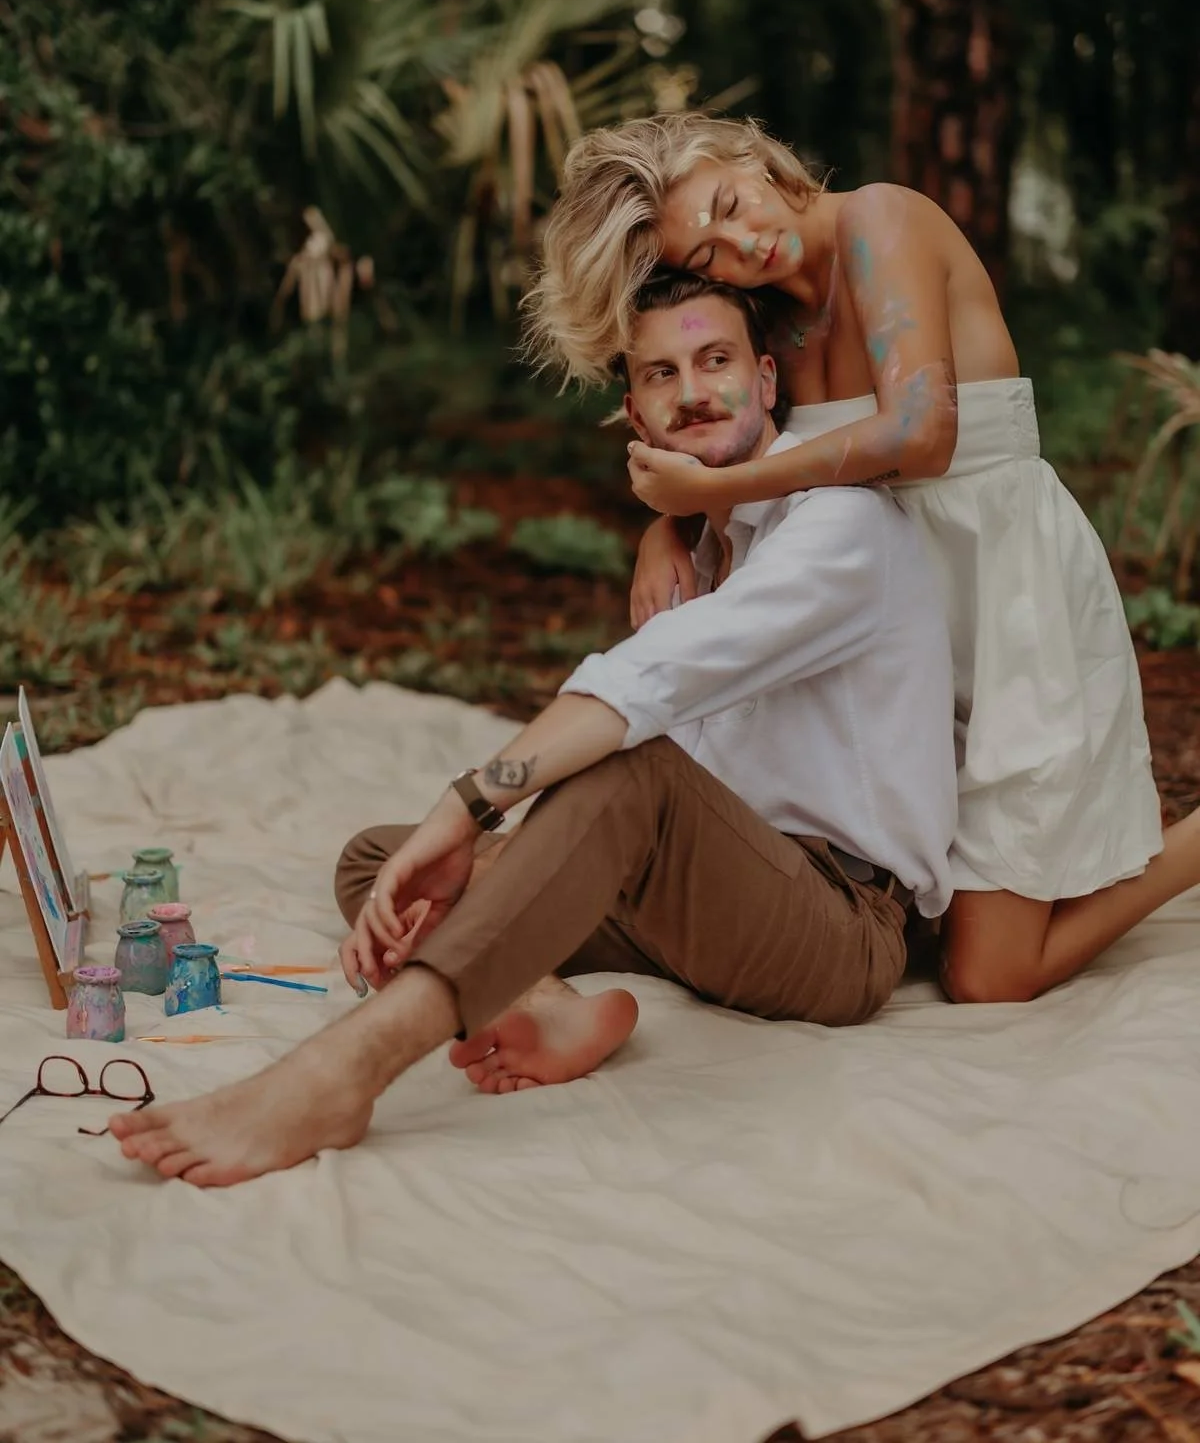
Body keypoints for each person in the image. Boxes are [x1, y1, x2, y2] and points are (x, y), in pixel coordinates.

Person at [109, 272, 958, 1186]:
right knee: (380, 866)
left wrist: (468, 805)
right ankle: (538, 999)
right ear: (636, 414)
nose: (694, 391)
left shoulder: (839, 526)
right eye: (663, 374)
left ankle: (342, 1071)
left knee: (623, 771)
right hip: (700, 889)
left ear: (765, 381)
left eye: (715, 362)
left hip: (834, 923)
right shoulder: (709, 544)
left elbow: (640, 694)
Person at [524, 113, 1200, 1004]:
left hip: (1003, 604)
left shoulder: (880, 221)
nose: (741, 242)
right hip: (882, 639)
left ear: (751, 159)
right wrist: (667, 527)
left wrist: (709, 498)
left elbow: (919, 437)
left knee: (988, 978)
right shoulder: (770, 313)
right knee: (900, 903)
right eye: (708, 253)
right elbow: (705, 430)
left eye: (730, 203)